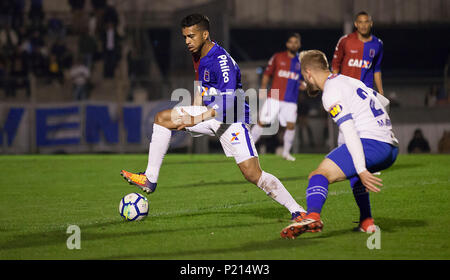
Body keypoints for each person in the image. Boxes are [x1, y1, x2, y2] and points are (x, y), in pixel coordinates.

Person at [120, 13, 306, 220]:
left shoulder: (221, 61)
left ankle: (297, 210)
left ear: (205, 34)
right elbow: (201, 86)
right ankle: (150, 178)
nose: (187, 42)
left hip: (232, 120)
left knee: (252, 173)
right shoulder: (198, 54)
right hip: (210, 115)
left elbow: (227, 101)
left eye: (191, 36)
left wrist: (195, 119)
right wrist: (193, 110)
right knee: (162, 118)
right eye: (185, 37)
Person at [280, 50, 398, 239]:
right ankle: (366, 222)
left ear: (308, 72)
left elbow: (350, 131)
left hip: (373, 144)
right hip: (391, 147)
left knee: (319, 175)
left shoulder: (330, 93)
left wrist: (361, 168)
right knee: (352, 174)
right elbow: (384, 102)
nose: (305, 81)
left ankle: (312, 216)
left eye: (304, 76)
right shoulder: (349, 81)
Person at [250, 33, 305, 161]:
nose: (293, 44)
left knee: (291, 125)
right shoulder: (278, 57)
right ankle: (248, 148)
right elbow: (267, 73)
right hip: (274, 97)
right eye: (291, 42)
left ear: (299, 45)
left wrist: (304, 86)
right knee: (262, 122)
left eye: (296, 42)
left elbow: (302, 82)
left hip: (291, 100)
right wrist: (263, 89)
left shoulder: (301, 62)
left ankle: (286, 152)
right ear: (287, 44)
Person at [332, 11, 384, 95]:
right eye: (360, 22)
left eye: (366, 22)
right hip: (347, 90)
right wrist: (336, 87)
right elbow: (335, 65)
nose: (363, 25)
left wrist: (381, 91)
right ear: (356, 24)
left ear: (371, 23)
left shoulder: (378, 44)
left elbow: (376, 69)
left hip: (366, 91)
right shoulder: (345, 41)